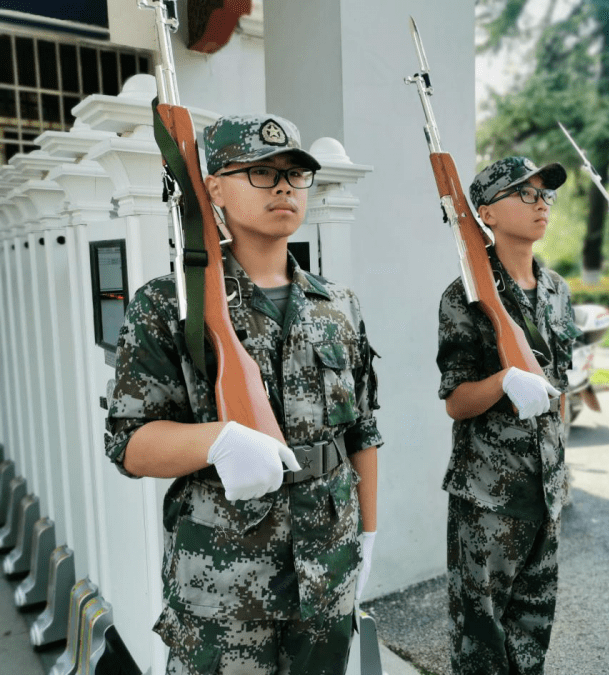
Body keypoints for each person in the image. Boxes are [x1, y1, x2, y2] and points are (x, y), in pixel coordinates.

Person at [105, 114, 382, 675]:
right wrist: (218, 442)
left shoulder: (339, 304)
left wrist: (368, 534)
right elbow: (130, 444)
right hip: (225, 589)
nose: (284, 185)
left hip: (329, 570)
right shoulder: (171, 304)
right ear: (213, 189)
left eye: (295, 174)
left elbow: (364, 431)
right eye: (260, 172)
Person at [436, 156, 580, 675]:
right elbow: (456, 401)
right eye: (525, 193)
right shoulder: (466, 295)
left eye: (546, 194)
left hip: (546, 488)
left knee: (533, 629)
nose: (541, 203)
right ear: (486, 213)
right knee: (482, 636)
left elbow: (560, 390)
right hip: (488, 493)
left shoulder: (558, 289)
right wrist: (502, 381)